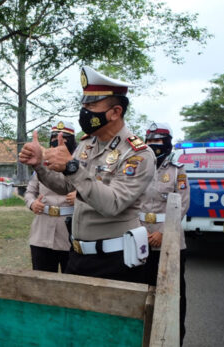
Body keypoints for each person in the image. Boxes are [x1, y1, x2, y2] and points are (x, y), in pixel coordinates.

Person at [19, 66, 155, 283]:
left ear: (115, 112)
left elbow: (113, 204)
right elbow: (67, 186)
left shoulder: (137, 154)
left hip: (115, 259)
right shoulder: (87, 145)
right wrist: (39, 166)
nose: (85, 111)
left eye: (91, 105)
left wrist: (72, 167)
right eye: (84, 104)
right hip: (78, 255)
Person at [139, 122, 190, 345]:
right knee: (140, 292)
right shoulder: (138, 165)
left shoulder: (177, 169)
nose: (153, 145)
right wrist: (139, 232)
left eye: (158, 141)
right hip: (139, 239)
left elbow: (182, 204)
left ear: (167, 143)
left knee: (172, 296)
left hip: (169, 241)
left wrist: (162, 232)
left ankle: (173, 340)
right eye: (149, 141)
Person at [24, 121, 77, 273]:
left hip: (70, 231)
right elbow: (29, 192)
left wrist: (79, 197)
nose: (58, 141)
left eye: (64, 139)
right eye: (54, 137)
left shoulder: (79, 166)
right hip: (42, 231)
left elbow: (94, 192)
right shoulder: (41, 164)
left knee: (71, 282)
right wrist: (32, 203)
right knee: (41, 282)